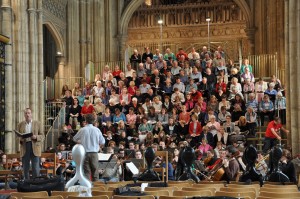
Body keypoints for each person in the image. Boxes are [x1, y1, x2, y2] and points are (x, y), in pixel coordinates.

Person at [73, 113, 105, 181]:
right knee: (95, 173)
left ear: (86, 121)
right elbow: (103, 142)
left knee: (86, 173)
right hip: (94, 153)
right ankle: (96, 190)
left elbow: (74, 139)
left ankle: (88, 189)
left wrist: (81, 142)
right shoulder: (97, 130)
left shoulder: (82, 130)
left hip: (85, 153)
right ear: (93, 121)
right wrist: (98, 145)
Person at [17, 108, 45, 179]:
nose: (27, 115)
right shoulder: (20, 124)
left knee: (35, 167)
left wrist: (36, 137)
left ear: (31, 114)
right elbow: (18, 136)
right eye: (26, 113)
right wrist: (21, 139)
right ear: (24, 115)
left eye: (29, 113)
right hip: (25, 146)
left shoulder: (37, 123)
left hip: (35, 146)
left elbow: (42, 136)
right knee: (25, 167)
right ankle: (27, 184)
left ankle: (36, 185)